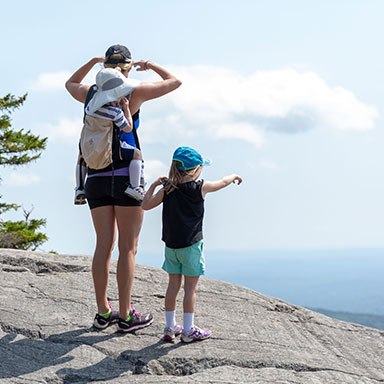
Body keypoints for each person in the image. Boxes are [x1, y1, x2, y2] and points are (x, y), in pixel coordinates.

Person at [65, 44, 182, 332]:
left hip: (95, 177)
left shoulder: (90, 93)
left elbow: (70, 83)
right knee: (128, 248)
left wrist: (92, 60)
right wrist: (151, 65)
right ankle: (127, 317)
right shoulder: (134, 92)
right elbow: (175, 82)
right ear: (127, 67)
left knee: (103, 245)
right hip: (126, 174)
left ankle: (103, 312)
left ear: (104, 66)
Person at [141, 146, 243, 343]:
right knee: (190, 289)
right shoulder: (200, 187)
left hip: (171, 247)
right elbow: (222, 182)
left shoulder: (167, 189)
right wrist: (234, 176)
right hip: (191, 247)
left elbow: (145, 205)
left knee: (172, 286)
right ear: (195, 169)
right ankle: (188, 330)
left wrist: (154, 185)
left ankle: (170, 327)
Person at [75, 67, 146, 203]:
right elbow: (127, 128)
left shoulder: (90, 106)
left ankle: (79, 187)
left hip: (88, 144)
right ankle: (135, 187)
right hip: (107, 149)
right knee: (137, 154)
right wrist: (126, 110)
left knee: (81, 157)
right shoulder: (114, 112)